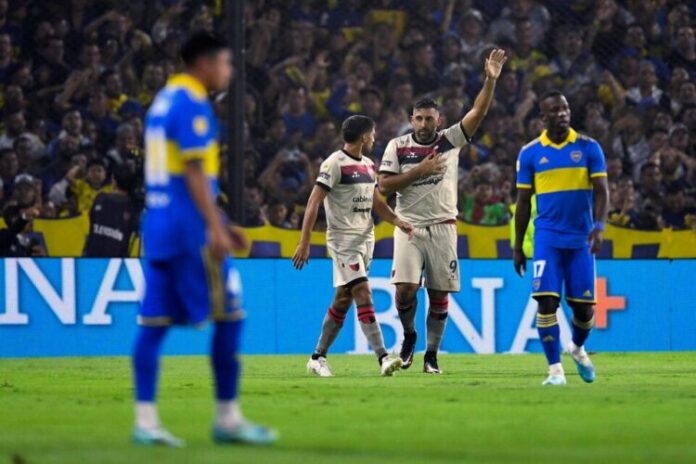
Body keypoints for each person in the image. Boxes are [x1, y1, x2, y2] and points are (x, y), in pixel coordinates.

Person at [132, 31, 276, 447]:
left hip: (160, 226)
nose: (230, 72)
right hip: (190, 231)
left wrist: (220, 220)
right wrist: (214, 226)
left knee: (153, 324)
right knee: (231, 316)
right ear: (205, 63)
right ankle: (227, 418)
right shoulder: (192, 103)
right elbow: (194, 171)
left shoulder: (163, 101)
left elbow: (178, 174)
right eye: (226, 63)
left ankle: (145, 421)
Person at [378, 49, 507, 374]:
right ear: (411, 120)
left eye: (429, 118)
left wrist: (490, 81)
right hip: (408, 226)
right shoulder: (397, 146)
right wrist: (420, 171)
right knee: (405, 291)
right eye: (418, 118)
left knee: (438, 293)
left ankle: (431, 356)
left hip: (443, 226)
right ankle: (410, 334)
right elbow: (384, 186)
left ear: (440, 120)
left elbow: (478, 111)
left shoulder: (450, 140)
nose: (424, 124)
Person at [292, 115, 413, 377]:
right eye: (372, 133)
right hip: (343, 241)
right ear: (364, 136)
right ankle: (383, 357)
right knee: (363, 292)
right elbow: (313, 202)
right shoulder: (334, 163)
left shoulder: (369, 165)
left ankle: (317, 358)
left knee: (343, 298)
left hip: (365, 239)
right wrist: (304, 241)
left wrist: (397, 220)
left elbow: (376, 202)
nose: (374, 137)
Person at [513, 90, 609, 386]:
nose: (562, 114)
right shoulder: (530, 153)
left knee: (584, 309)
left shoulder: (589, 148)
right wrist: (517, 247)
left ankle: (577, 347)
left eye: (565, 108)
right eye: (555, 110)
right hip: (547, 238)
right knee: (546, 302)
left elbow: (602, 192)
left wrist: (599, 226)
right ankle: (555, 370)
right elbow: (523, 202)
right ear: (543, 117)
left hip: (580, 239)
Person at [83, 166, 139, 257]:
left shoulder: (100, 198)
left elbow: (91, 220)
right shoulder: (134, 208)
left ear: (114, 182)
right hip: (117, 261)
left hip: (92, 258)